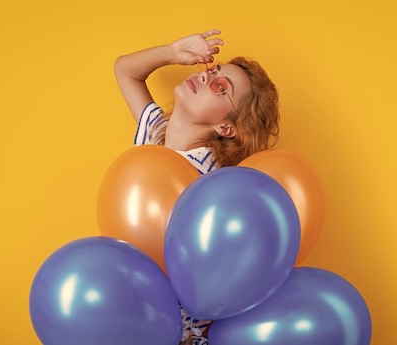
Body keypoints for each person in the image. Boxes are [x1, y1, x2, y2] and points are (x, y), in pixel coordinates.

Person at [114, 29, 280, 345]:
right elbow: (124, 70)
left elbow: (209, 279)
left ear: (226, 127)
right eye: (211, 71)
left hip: (168, 331)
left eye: (220, 87)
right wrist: (172, 52)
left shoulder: (211, 185)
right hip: (130, 312)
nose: (205, 78)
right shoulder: (156, 135)